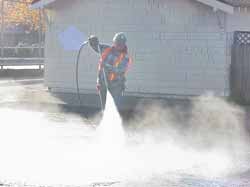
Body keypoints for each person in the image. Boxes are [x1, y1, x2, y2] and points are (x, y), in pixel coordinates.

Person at [88, 32, 131, 109]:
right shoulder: (106, 49)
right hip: (103, 84)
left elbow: (120, 70)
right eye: (116, 43)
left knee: (113, 108)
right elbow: (96, 47)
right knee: (104, 108)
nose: (118, 45)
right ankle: (106, 119)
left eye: (120, 44)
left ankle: (114, 120)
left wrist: (107, 66)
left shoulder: (125, 58)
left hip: (116, 87)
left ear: (124, 44)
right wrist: (93, 41)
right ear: (114, 42)